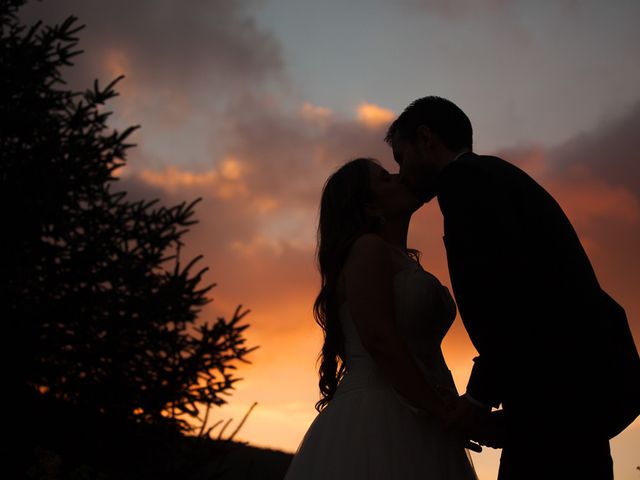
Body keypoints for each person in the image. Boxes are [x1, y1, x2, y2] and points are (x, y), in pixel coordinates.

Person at [385, 95, 640, 480]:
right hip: (568, 398)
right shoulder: (495, 178)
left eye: (401, 158)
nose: (402, 175)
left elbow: (509, 298)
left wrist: (477, 399)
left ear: (425, 138)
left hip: (558, 402)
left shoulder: (467, 186)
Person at [283, 157, 478, 479]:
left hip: (424, 413)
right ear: (369, 207)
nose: (401, 178)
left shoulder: (401, 259)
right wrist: (445, 412)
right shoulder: (367, 249)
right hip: (380, 417)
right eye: (386, 179)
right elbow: (379, 341)